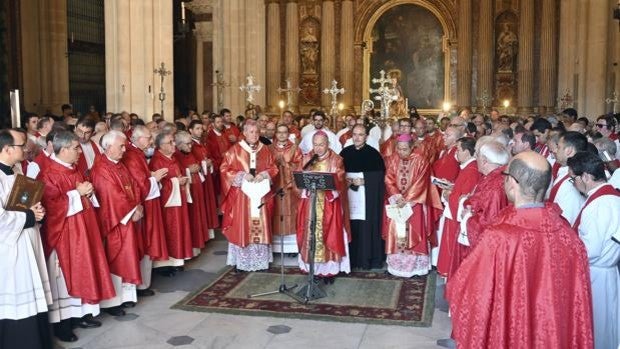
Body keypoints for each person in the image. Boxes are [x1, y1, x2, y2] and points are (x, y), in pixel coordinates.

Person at [445, 151, 594, 348]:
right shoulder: (570, 237)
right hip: (552, 336)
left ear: (512, 183)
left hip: (510, 334)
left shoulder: (499, 238)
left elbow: (469, 291)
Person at [39, 131, 115, 342]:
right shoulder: (49, 174)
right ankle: (63, 324)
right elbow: (51, 207)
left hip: (83, 229)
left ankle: (80, 314)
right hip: (65, 236)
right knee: (65, 278)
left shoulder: (73, 169)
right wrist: (77, 194)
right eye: (75, 148)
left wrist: (88, 192)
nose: (79, 152)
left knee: (84, 270)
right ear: (63, 150)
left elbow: (82, 193)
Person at [0, 129, 52, 349]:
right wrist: (30, 215)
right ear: (6, 149)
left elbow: (24, 201)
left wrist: (36, 209)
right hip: (10, 249)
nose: (27, 149)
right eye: (22, 145)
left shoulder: (18, 169)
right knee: (17, 296)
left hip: (28, 240)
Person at [567, 151, 620, 349]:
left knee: (598, 327)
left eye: (574, 179)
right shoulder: (609, 196)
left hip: (595, 275)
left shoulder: (601, 203)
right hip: (604, 273)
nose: (574, 184)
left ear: (586, 177)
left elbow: (590, 250)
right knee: (605, 325)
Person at [91, 131, 143, 316]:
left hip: (126, 217)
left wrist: (137, 205)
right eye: (121, 146)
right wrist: (132, 210)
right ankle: (112, 302)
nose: (124, 149)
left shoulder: (118, 164)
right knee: (117, 256)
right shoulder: (101, 168)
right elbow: (110, 195)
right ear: (108, 147)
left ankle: (126, 297)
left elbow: (134, 186)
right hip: (115, 221)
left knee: (128, 256)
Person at [220, 120, 278, 271]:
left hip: (260, 194)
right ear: (244, 133)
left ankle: (261, 261)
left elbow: (273, 168)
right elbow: (225, 169)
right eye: (251, 132)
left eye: (257, 132)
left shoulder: (265, 149)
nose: (254, 135)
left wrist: (264, 174)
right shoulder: (234, 150)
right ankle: (242, 262)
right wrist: (241, 175)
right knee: (242, 225)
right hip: (242, 197)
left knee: (260, 224)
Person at [383, 134, 442, 277]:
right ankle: (397, 266)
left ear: (412, 147)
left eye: (405, 149)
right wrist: (397, 196)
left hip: (415, 204)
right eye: (399, 149)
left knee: (415, 232)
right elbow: (388, 179)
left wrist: (407, 199)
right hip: (396, 202)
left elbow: (421, 183)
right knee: (398, 234)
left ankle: (415, 267)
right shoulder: (392, 160)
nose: (401, 152)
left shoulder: (421, 161)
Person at [296, 131, 350, 283]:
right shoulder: (307, 158)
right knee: (310, 233)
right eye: (315, 144)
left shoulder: (336, 159)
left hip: (328, 203)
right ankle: (312, 269)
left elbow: (340, 180)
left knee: (329, 234)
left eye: (321, 145)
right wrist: (303, 188)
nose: (318, 148)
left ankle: (328, 271)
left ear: (328, 144)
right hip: (310, 202)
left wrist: (332, 188)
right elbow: (299, 178)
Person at [123, 126, 169, 292]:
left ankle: (144, 283)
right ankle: (141, 284)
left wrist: (151, 176)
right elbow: (139, 184)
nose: (151, 141)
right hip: (142, 204)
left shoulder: (137, 153)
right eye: (148, 137)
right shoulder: (132, 155)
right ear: (138, 138)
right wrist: (154, 178)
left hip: (147, 201)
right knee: (144, 241)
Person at [455, 141, 510, 266]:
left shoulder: (495, 186)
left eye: (478, 156)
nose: (476, 159)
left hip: (485, 251)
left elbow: (489, 222)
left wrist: (468, 216)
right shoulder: (495, 177)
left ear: (484, 160)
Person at [340, 124, 386, 270]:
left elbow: (380, 177)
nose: (357, 138)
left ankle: (366, 259)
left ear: (366, 137)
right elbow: (338, 172)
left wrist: (365, 180)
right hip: (348, 196)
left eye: (360, 135)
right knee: (350, 224)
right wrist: (344, 180)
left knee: (365, 226)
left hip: (366, 198)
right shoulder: (345, 153)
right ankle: (350, 260)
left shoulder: (373, 154)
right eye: (355, 134)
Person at [149, 131, 194, 272]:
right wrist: (176, 182)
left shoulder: (173, 158)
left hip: (178, 200)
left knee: (180, 228)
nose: (174, 144)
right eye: (170, 142)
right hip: (167, 205)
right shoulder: (157, 161)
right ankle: (166, 263)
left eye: (173, 141)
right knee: (169, 230)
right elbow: (159, 185)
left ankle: (178, 260)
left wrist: (182, 180)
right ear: (161, 146)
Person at [436, 137, 480, 277]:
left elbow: (465, 198)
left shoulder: (472, 170)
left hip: (457, 217)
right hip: (453, 213)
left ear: (467, 151)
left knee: (451, 248)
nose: (456, 153)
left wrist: (448, 194)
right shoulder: (467, 167)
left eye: (459, 150)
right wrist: (452, 187)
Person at [175, 131, 210, 256]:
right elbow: (177, 172)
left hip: (197, 188)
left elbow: (197, 165)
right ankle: (193, 246)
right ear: (179, 145)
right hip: (188, 190)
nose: (190, 146)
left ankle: (200, 243)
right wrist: (187, 170)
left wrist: (199, 167)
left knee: (199, 214)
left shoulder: (189, 153)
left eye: (191, 143)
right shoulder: (177, 155)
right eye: (188, 144)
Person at [269, 124, 303, 253]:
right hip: (275, 187)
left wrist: (286, 165)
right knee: (275, 211)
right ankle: (276, 246)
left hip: (289, 187)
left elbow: (300, 166)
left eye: (284, 132)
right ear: (275, 134)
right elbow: (266, 166)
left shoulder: (295, 148)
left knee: (290, 211)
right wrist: (275, 165)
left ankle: (292, 248)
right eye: (279, 132)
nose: (282, 135)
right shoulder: (269, 148)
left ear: (288, 134)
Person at [548, 131, 587, 225]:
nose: (555, 150)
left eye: (558, 147)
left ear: (569, 151)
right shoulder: (564, 171)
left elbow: (566, 221)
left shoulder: (572, 183)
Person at [188, 120, 219, 238]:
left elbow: (209, 157)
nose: (200, 131)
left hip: (207, 178)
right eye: (197, 128)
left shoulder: (203, 144)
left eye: (201, 129)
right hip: (198, 179)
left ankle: (208, 231)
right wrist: (203, 164)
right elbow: (192, 163)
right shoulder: (190, 145)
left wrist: (210, 162)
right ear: (190, 130)